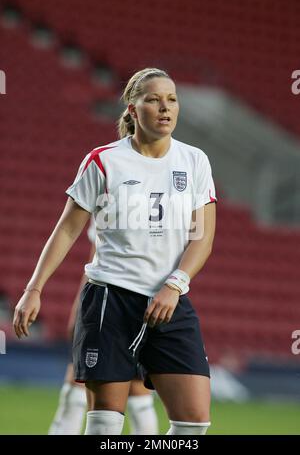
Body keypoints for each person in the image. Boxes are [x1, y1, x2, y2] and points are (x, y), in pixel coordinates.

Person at [13, 67, 217, 435]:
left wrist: (176, 283)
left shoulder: (195, 161)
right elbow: (68, 229)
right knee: (105, 425)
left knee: (193, 424)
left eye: (171, 99)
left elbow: (202, 235)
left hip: (168, 303)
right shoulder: (103, 161)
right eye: (153, 99)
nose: (165, 108)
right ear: (132, 108)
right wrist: (34, 289)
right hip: (110, 300)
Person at [48, 220, 158, 435]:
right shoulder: (111, 199)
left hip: (121, 302)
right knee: (136, 390)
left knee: (82, 381)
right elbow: (97, 258)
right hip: (122, 299)